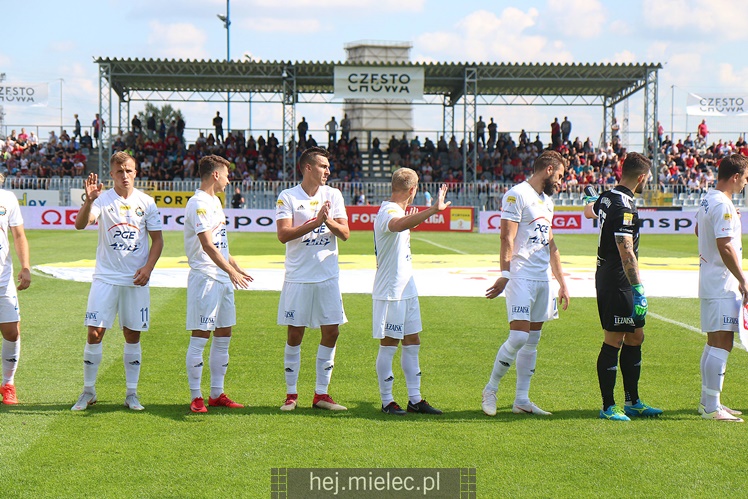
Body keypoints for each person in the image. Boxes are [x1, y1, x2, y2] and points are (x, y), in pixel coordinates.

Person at [71, 151, 163, 411]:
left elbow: (158, 241)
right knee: (94, 333)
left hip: (135, 280)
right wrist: (88, 201)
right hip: (106, 279)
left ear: (136, 172)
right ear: (111, 174)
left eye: (129, 170)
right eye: (120, 171)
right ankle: (88, 391)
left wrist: (148, 268)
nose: (125, 175)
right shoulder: (102, 199)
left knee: (132, 334)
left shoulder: (146, 202)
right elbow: (80, 224)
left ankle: (131, 394)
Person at [481, 150, 570, 417]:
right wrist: (505, 275)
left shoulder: (547, 202)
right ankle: (490, 390)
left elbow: (551, 244)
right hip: (520, 276)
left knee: (532, 340)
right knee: (519, 335)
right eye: (561, 176)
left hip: (542, 278)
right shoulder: (517, 194)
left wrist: (562, 282)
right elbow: (506, 238)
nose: (561, 182)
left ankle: (521, 400)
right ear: (550, 169)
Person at [583, 151, 663, 421]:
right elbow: (625, 250)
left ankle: (633, 401)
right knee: (614, 338)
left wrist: (589, 199)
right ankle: (608, 406)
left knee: (635, 335)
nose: (647, 183)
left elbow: (589, 210)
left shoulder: (607, 196)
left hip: (613, 277)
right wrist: (638, 289)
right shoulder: (624, 207)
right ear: (641, 177)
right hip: (617, 280)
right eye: (647, 179)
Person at [275, 147, 349, 411]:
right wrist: (315, 221)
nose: (327, 171)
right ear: (307, 168)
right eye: (323, 166)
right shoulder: (288, 196)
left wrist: (327, 222)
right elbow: (283, 235)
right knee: (295, 333)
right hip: (299, 277)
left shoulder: (334, 194)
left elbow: (345, 233)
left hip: (327, 277)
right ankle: (291, 395)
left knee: (332, 331)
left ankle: (321, 395)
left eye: (328, 167)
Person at [373, 170, 450, 415]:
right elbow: (396, 225)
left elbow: (401, 225)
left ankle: (415, 399)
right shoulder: (389, 211)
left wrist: (413, 220)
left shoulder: (397, 211)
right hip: (391, 291)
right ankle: (387, 401)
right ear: (413, 190)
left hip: (406, 288)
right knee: (389, 344)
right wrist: (433, 211)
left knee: (412, 341)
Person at [184, 155, 253, 413]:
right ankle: (196, 396)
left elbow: (221, 245)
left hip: (222, 276)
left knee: (224, 333)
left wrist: (235, 267)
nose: (228, 179)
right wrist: (229, 272)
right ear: (215, 175)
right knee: (201, 335)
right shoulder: (198, 203)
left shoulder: (215, 202)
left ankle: (216, 393)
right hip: (206, 277)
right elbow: (207, 245)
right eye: (226, 174)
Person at [695, 154, 748, 422]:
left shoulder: (708, 199)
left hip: (710, 280)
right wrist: (743, 280)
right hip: (721, 283)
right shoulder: (723, 204)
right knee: (722, 343)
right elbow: (725, 245)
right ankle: (710, 407)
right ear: (735, 176)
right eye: (745, 178)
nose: (745, 183)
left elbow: (697, 230)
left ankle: (709, 402)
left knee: (713, 343)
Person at [0, 173, 31, 405]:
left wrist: (26, 266)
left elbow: (19, 235)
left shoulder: (8, 198)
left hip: (3, 278)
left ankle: (8, 384)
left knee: (12, 331)